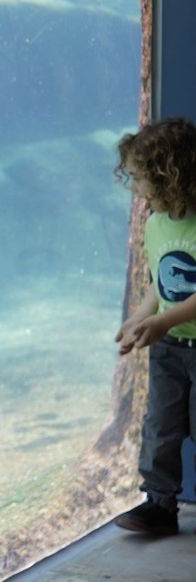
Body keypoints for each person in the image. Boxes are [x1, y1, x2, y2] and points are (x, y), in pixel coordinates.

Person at [113, 116, 196, 536]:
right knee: (160, 425)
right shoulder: (155, 224)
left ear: (169, 176)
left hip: (184, 339)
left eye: (140, 178)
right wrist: (141, 317)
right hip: (169, 349)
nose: (135, 188)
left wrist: (162, 321)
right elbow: (159, 282)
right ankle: (160, 505)